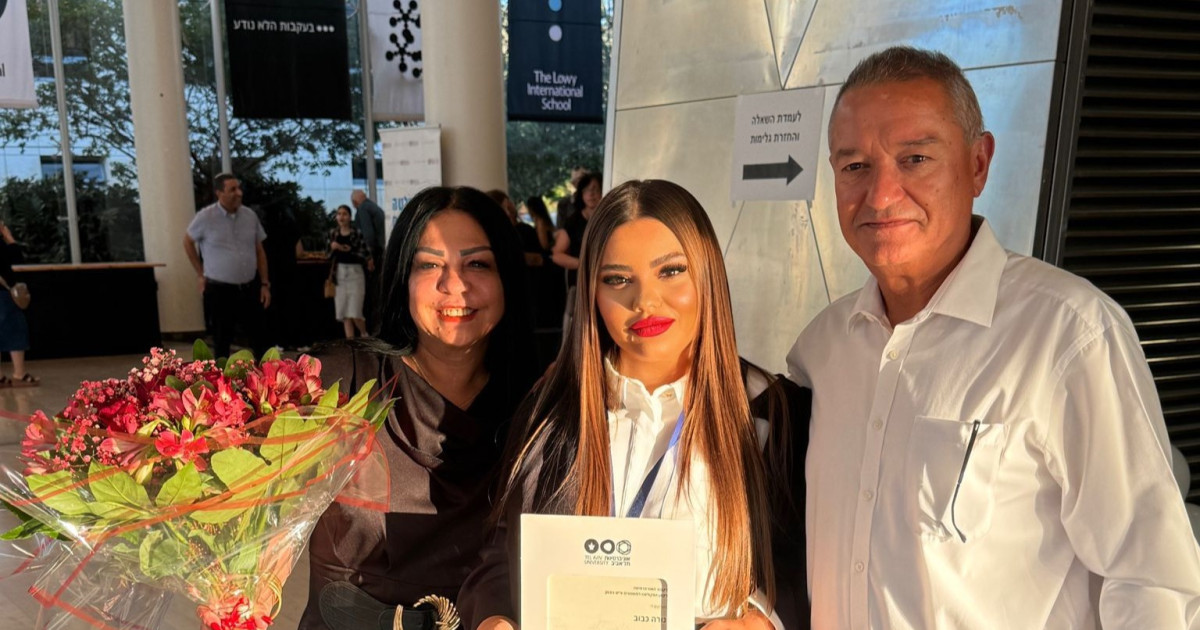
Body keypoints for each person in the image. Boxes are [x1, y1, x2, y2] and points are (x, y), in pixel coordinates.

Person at [787, 46, 1200, 629]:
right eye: (854, 166)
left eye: (915, 159)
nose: (880, 195)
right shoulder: (822, 350)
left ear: (978, 163)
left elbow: (1153, 579)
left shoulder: (1068, 334)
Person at [458, 180, 811, 630]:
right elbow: (501, 554)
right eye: (618, 279)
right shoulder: (550, 413)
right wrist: (494, 619)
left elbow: (810, 566)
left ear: (708, 274)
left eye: (671, 271)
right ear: (592, 292)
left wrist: (760, 622)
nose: (644, 301)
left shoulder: (768, 413)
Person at [299, 186, 539, 630]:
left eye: (478, 264)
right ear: (401, 278)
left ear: (507, 276)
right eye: (430, 265)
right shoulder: (337, 382)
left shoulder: (542, 401)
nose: (455, 285)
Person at [183, 173, 271, 359]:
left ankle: (266, 374)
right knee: (222, 340)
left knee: (260, 338)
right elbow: (188, 242)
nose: (239, 193)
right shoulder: (206, 217)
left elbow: (260, 251)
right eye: (232, 189)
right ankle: (221, 376)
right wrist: (200, 273)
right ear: (219, 193)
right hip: (219, 290)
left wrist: (264, 284)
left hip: (249, 287)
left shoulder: (250, 216)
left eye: (239, 188)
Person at [551, 171, 602, 333]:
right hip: (580, 282)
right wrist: (582, 264)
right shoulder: (573, 221)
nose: (591, 194)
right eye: (586, 190)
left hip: (603, 279)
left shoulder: (607, 218)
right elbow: (557, 254)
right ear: (581, 194)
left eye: (595, 189)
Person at [0, 220, 37, 387]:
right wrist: (9, 237)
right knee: (15, 329)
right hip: (3, 293)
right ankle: (19, 374)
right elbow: (16, 257)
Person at [327, 205, 373, 339]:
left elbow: (365, 254)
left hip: (355, 273)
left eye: (344, 214)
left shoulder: (356, 233)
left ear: (349, 217)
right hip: (339, 274)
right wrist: (333, 248)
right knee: (344, 314)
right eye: (339, 214)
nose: (341, 217)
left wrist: (349, 250)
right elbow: (327, 255)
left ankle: (364, 335)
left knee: (355, 312)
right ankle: (350, 343)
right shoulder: (333, 233)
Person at [351, 189, 387, 330]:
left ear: (354, 202)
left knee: (371, 294)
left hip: (374, 256)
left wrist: (369, 257)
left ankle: (373, 327)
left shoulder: (363, 209)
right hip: (381, 253)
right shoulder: (373, 207)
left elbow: (368, 235)